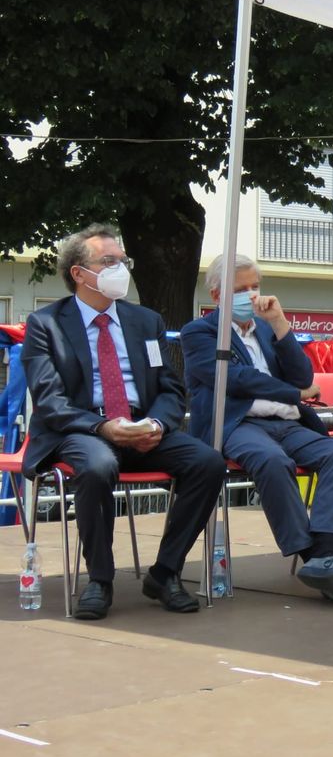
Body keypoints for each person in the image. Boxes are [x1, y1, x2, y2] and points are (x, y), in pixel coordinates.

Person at [21, 224, 224, 620]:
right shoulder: (46, 324)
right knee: (98, 465)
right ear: (79, 273)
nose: (121, 269)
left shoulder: (145, 321)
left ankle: (164, 573)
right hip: (82, 429)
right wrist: (103, 428)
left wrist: (157, 425)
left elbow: (170, 387)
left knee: (208, 463)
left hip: (141, 427)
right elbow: (49, 401)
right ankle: (100, 579)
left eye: (123, 261)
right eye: (108, 261)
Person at [181, 254, 333, 604]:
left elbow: (303, 377)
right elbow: (235, 379)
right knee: (272, 460)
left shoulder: (266, 329)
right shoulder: (200, 333)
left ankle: (325, 552)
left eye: (255, 286)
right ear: (217, 295)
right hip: (238, 423)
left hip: (286, 421)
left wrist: (280, 324)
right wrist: (293, 394)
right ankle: (313, 557)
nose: (251, 295)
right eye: (240, 289)